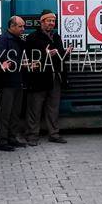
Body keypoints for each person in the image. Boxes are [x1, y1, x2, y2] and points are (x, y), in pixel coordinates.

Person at [25, 10, 72, 146]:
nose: (51, 23)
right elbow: (28, 58)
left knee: (53, 107)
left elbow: (60, 56)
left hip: (55, 77)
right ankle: (32, 135)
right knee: (35, 108)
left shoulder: (56, 37)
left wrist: (66, 53)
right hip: (38, 78)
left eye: (53, 21)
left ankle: (54, 134)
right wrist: (45, 55)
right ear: (42, 22)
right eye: (49, 21)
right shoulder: (32, 37)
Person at [0, 16, 28, 151]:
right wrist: (21, 64)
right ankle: (2, 141)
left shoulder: (18, 40)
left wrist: (24, 64)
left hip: (17, 80)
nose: (23, 29)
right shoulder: (3, 40)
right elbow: (2, 60)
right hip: (6, 82)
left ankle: (12, 138)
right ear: (12, 26)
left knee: (15, 112)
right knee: (5, 113)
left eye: (23, 26)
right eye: (20, 26)